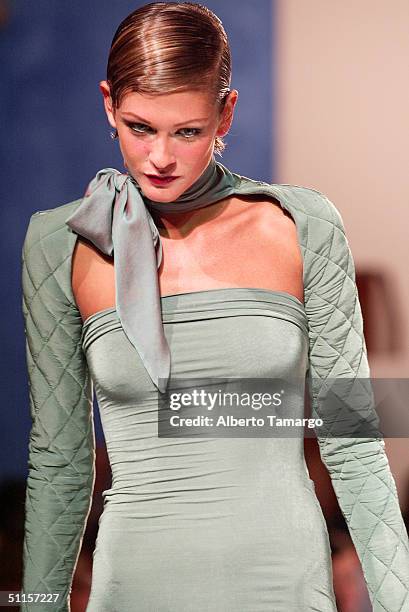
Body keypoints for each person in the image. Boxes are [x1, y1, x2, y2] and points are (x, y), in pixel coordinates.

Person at [20, 2, 409, 611]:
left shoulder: (302, 225)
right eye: (139, 127)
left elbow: (353, 442)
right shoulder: (59, 244)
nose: (161, 159)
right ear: (107, 105)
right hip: (134, 587)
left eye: (188, 131)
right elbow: (61, 463)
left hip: (284, 584)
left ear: (226, 111)